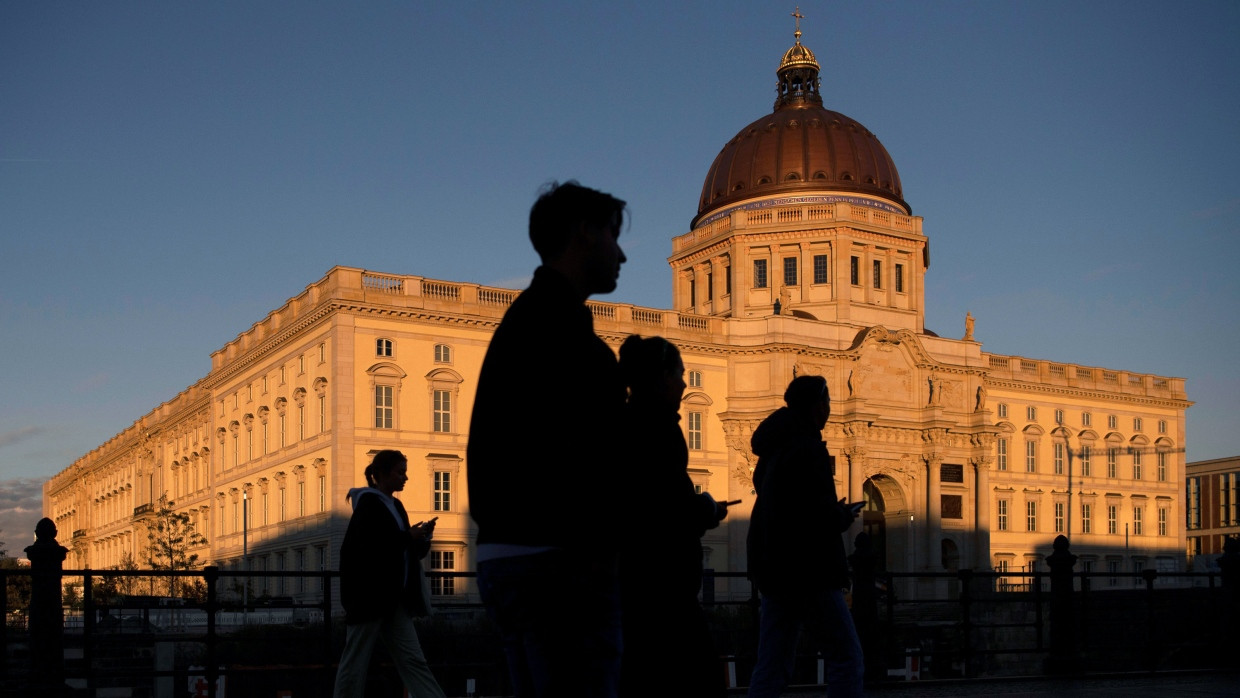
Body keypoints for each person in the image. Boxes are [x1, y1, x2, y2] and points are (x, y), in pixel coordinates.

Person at [467, 181, 628, 698]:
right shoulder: (564, 334)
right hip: (557, 561)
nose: (621, 252)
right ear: (583, 233)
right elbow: (587, 455)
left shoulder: (526, 321)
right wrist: (601, 548)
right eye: (612, 233)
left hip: (509, 555)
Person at [616, 335, 728, 698]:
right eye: (680, 374)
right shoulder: (658, 427)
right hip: (662, 579)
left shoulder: (630, 421)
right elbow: (666, 505)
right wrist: (707, 509)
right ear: (663, 376)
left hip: (639, 577)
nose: (684, 383)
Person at [746, 375, 864, 698]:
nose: (830, 407)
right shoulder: (809, 448)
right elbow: (816, 516)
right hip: (811, 572)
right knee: (846, 657)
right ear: (816, 406)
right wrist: (841, 515)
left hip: (774, 570)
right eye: (827, 400)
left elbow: (783, 505)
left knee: (771, 664)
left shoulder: (775, 448)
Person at [334, 450, 445, 698]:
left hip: (389, 599)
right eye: (400, 472)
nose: (405, 478)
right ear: (383, 474)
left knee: (401, 660)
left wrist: (422, 538)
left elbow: (395, 547)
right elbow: (376, 548)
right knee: (361, 662)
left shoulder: (391, 505)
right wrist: (411, 537)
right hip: (373, 598)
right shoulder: (371, 506)